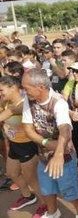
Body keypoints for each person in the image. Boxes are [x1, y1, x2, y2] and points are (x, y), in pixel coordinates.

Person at [22, 68, 78, 218]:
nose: (24, 91)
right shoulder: (29, 99)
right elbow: (28, 129)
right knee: (47, 189)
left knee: (71, 191)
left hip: (65, 158)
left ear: (41, 87)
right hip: (44, 156)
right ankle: (53, 213)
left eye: (26, 88)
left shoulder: (58, 103)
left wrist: (58, 153)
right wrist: (47, 143)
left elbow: (65, 130)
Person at [0, 76, 48, 216]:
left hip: (28, 145)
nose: (0, 93)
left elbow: (7, 114)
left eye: (2, 90)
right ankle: (28, 196)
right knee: (12, 173)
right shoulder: (7, 101)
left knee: (31, 179)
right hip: (15, 144)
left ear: (13, 88)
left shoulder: (23, 103)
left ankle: (45, 204)